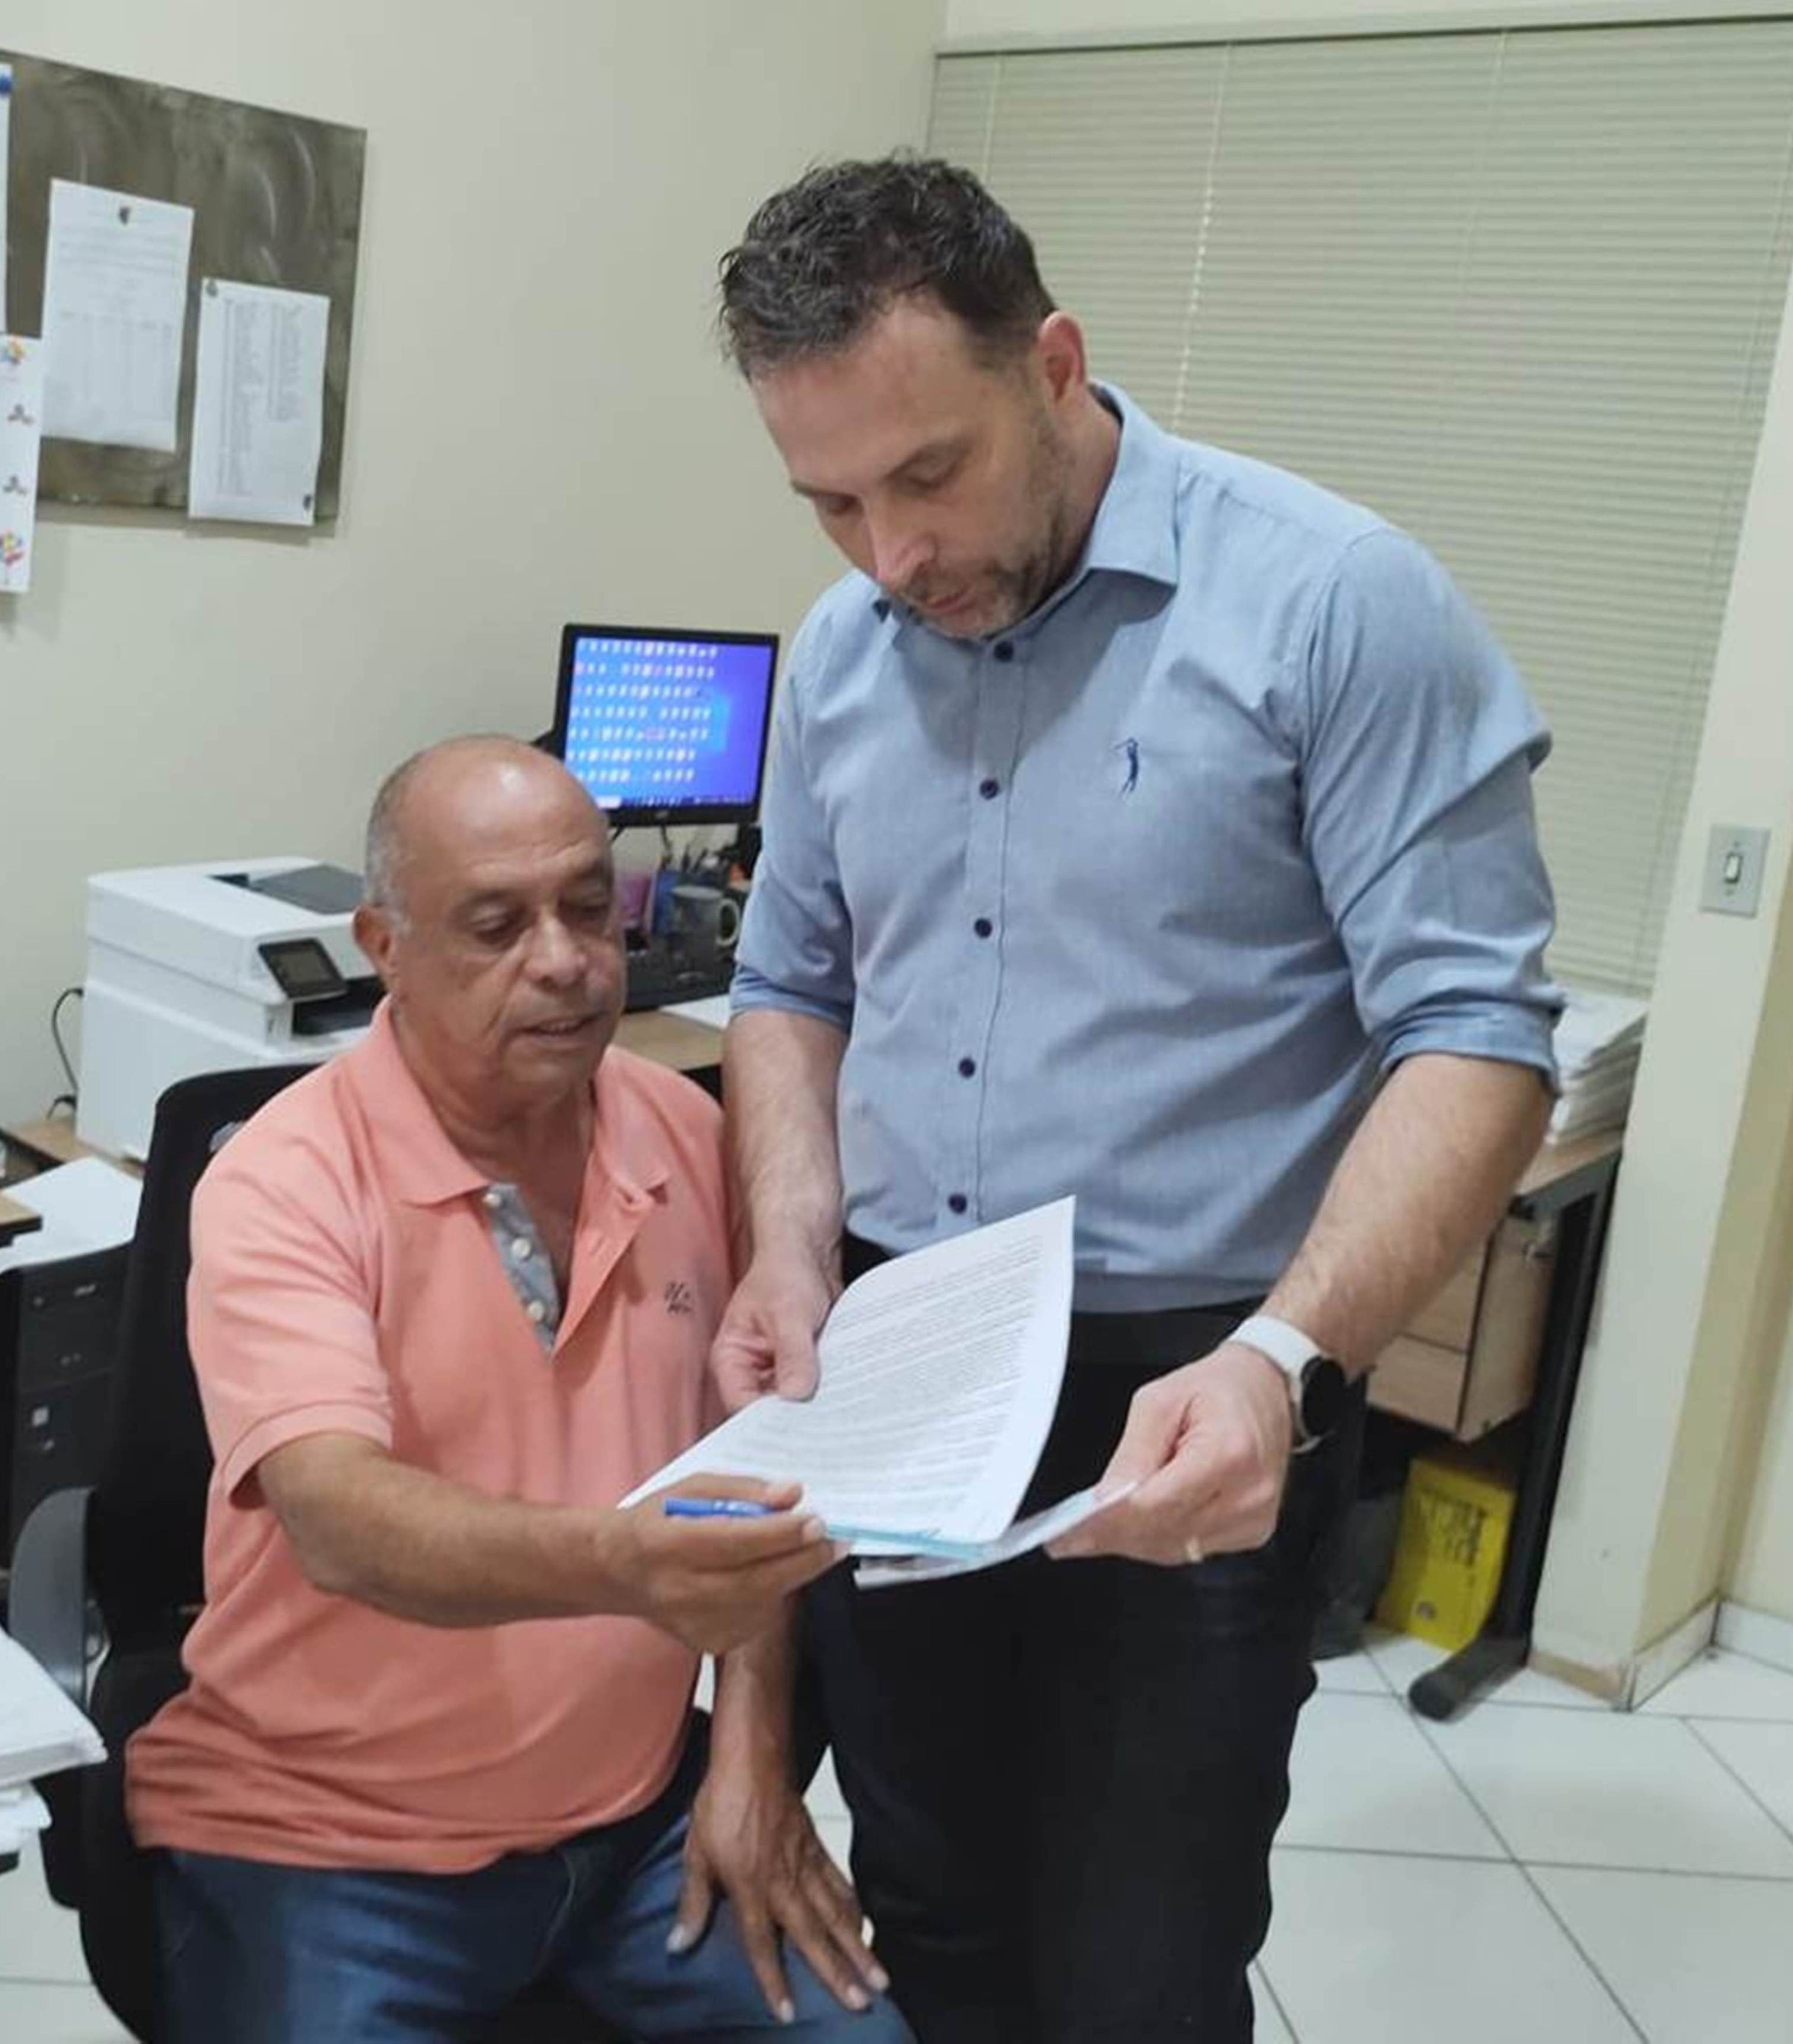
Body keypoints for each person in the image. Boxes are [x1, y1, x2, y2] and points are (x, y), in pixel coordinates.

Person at [707, 157, 1566, 2040]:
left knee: (1138, 1960)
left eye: (926, 474)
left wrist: (1284, 1358)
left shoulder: (1332, 605)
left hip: (1194, 1375)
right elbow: (788, 988)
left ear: (1053, 366)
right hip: (901, 1355)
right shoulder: (842, 655)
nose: (888, 555)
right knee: (930, 1905)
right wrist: (782, 1246)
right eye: (831, 503)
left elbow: (1478, 1036)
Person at [124, 737, 910, 2044]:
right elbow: (336, 1516)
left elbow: (763, 1475)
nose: (563, 960)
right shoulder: (284, 1179)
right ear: (385, 944)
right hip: (328, 1844)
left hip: (636, 1823)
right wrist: (625, 1563)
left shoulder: (688, 1133)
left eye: (589, 909)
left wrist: (750, 1753)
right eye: (496, 927)